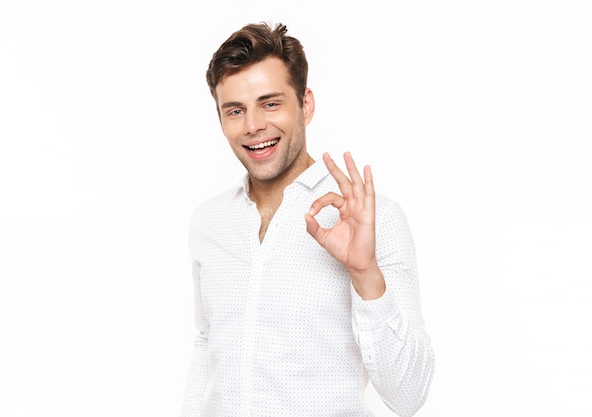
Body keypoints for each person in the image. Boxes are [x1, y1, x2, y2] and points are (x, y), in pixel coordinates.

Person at [181, 22, 434, 417]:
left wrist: (364, 271)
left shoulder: (375, 218)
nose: (253, 126)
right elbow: (207, 341)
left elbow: (409, 395)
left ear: (306, 105)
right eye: (235, 110)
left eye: (270, 103)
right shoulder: (208, 222)